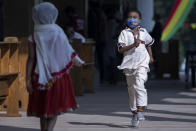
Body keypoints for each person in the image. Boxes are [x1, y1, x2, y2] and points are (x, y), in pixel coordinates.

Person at [26, 2, 84, 131]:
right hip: (58, 75)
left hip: (39, 75)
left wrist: (27, 79)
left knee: (43, 108)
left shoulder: (33, 36)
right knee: (54, 108)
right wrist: (76, 61)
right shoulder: (58, 32)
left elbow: (30, 59)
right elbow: (66, 51)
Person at [117, 10, 154, 127]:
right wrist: (133, 44)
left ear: (140, 20)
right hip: (129, 65)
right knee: (131, 89)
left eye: (135, 17)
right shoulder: (124, 33)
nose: (132, 19)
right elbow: (120, 49)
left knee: (140, 83)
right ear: (126, 19)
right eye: (130, 17)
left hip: (142, 63)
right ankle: (134, 112)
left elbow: (148, 44)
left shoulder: (143, 32)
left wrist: (151, 57)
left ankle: (140, 110)